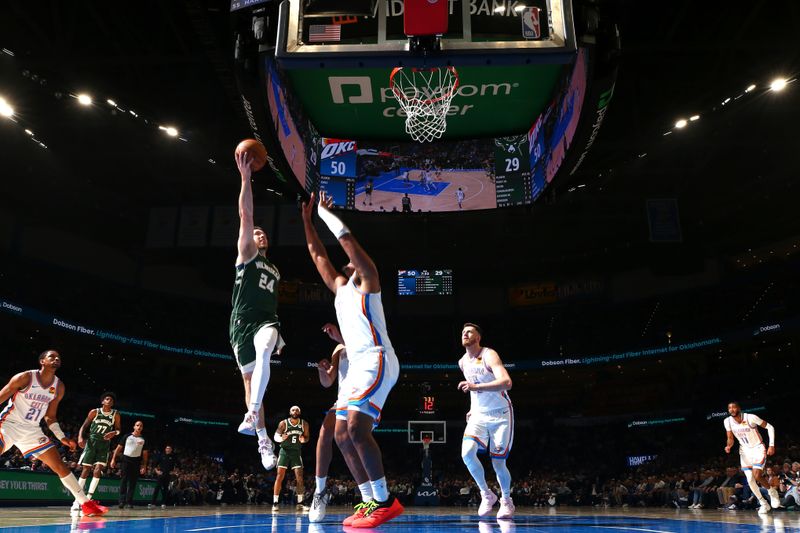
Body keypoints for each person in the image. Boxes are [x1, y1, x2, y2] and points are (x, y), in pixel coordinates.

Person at [301, 191, 403, 527]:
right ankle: (368, 500)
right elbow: (318, 255)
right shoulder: (341, 290)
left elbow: (346, 241)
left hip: (377, 359)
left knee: (358, 428)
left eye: (351, 260)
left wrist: (325, 214)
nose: (348, 262)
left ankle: (385, 500)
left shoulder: (370, 281)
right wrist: (307, 221)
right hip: (356, 366)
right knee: (341, 434)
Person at [0, 350, 107, 517]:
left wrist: (61, 437)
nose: (56, 359)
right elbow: (2, 395)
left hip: (32, 430)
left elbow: (50, 416)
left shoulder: (59, 386)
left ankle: (86, 504)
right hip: (9, 424)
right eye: (52, 356)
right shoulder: (25, 377)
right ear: (42, 361)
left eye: (58, 357)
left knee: (59, 465)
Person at [230, 150, 283, 471]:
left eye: (263, 233)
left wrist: (279, 335)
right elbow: (245, 215)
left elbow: (272, 304)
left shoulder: (275, 269)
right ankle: (262, 436)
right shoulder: (247, 254)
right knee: (252, 388)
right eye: (255, 232)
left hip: (267, 321)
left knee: (266, 348)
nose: (258, 233)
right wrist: (246, 178)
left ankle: (252, 414)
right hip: (240, 325)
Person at [309, 323, 374, 523]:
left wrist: (340, 338)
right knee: (325, 432)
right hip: (343, 398)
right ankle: (319, 493)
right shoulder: (338, 347)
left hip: (365, 396)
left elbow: (368, 354)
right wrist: (323, 370)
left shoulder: (367, 334)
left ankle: (370, 497)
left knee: (348, 440)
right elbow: (328, 381)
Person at [458, 323, 515, 519]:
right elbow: (475, 391)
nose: (465, 334)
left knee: (498, 463)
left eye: (470, 331)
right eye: (463, 332)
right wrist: (472, 409)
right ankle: (486, 494)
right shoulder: (462, 362)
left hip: (500, 414)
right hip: (479, 415)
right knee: (466, 453)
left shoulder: (489, 354)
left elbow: (506, 382)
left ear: (478, 337)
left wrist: (475, 387)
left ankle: (506, 500)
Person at [724, 401, 779, 513]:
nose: (732, 410)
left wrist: (771, 445)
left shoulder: (751, 417)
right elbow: (730, 437)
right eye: (729, 408)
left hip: (757, 448)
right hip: (744, 451)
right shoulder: (727, 421)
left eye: (734, 407)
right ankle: (764, 503)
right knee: (749, 479)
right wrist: (728, 445)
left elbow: (770, 427)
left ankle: (772, 492)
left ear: (739, 408)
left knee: (757, 475)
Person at [75, 392, 121, 509]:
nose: (109, 401)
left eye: (111, 400)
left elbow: (119, 429)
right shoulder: (94, 412)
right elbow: (84, 426)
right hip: (92, 441)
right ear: (102, 402)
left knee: (98, 469)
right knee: (86, 469)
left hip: (104, 444)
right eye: (107, 399)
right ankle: (78, 499)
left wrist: (114, 432)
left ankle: (88, 499)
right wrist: (80, 437)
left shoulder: (115, 414)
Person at [271, 406, 310, 512]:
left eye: (297, 410)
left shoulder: (304, 424)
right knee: (279, 476)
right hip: (284, 451)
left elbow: (307, 437)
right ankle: (275, 503)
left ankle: (300, 503)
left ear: (300, 412)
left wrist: (303, 440)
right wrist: (280, 438)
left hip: (296, 452)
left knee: (300, 478)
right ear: (290, 412)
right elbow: (275, 436)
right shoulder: (283, 423)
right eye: (293, 410)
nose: (295, 411)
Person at [111, 420, 149, 509]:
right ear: (134, 427)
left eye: (141, 426)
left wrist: (144, 466)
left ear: (142, 428)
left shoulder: (143, 439)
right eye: (137, 425)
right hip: (126, 460)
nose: (139, 427)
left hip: (136, 462)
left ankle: (129, 502)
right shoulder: (127, 436)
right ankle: (121, 501)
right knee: (124, 481)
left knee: (133, 482)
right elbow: (118, 449)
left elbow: (145, 454)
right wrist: (113, 459)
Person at [149, 445, 176, 509]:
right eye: (167, 448)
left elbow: (176, 466)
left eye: (169, 448)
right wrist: (157, 471)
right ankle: (153, 503)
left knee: (165, 489)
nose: (168, 449)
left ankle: (163, 503)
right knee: (157, 488)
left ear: (171, 450)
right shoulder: (161, 456)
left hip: (168, 475)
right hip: (161, 474)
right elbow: (154, 464)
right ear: (165, 449)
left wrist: (173, 472)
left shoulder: (173, 457)